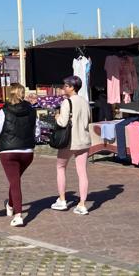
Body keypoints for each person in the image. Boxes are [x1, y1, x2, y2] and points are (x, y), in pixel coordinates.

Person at [0, 83, 36, 227]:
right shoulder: (31, 110)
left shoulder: (4, 111)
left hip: (8, 151)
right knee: (15, 181)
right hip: (27, 152)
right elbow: (36, 131)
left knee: (15, 182)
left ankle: (18, 215)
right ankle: (10, 205)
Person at [51, 75, 92, 215]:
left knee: (61, 167)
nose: (63, 88)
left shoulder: (67, 102)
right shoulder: (85, 101)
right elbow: (88, 120)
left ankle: (62, 200)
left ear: (72, 87)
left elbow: (62, 123)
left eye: (66, 86)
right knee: (82, 172)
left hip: (69, 141)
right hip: (84, 140)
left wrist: (56, 117)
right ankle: (82, 204)